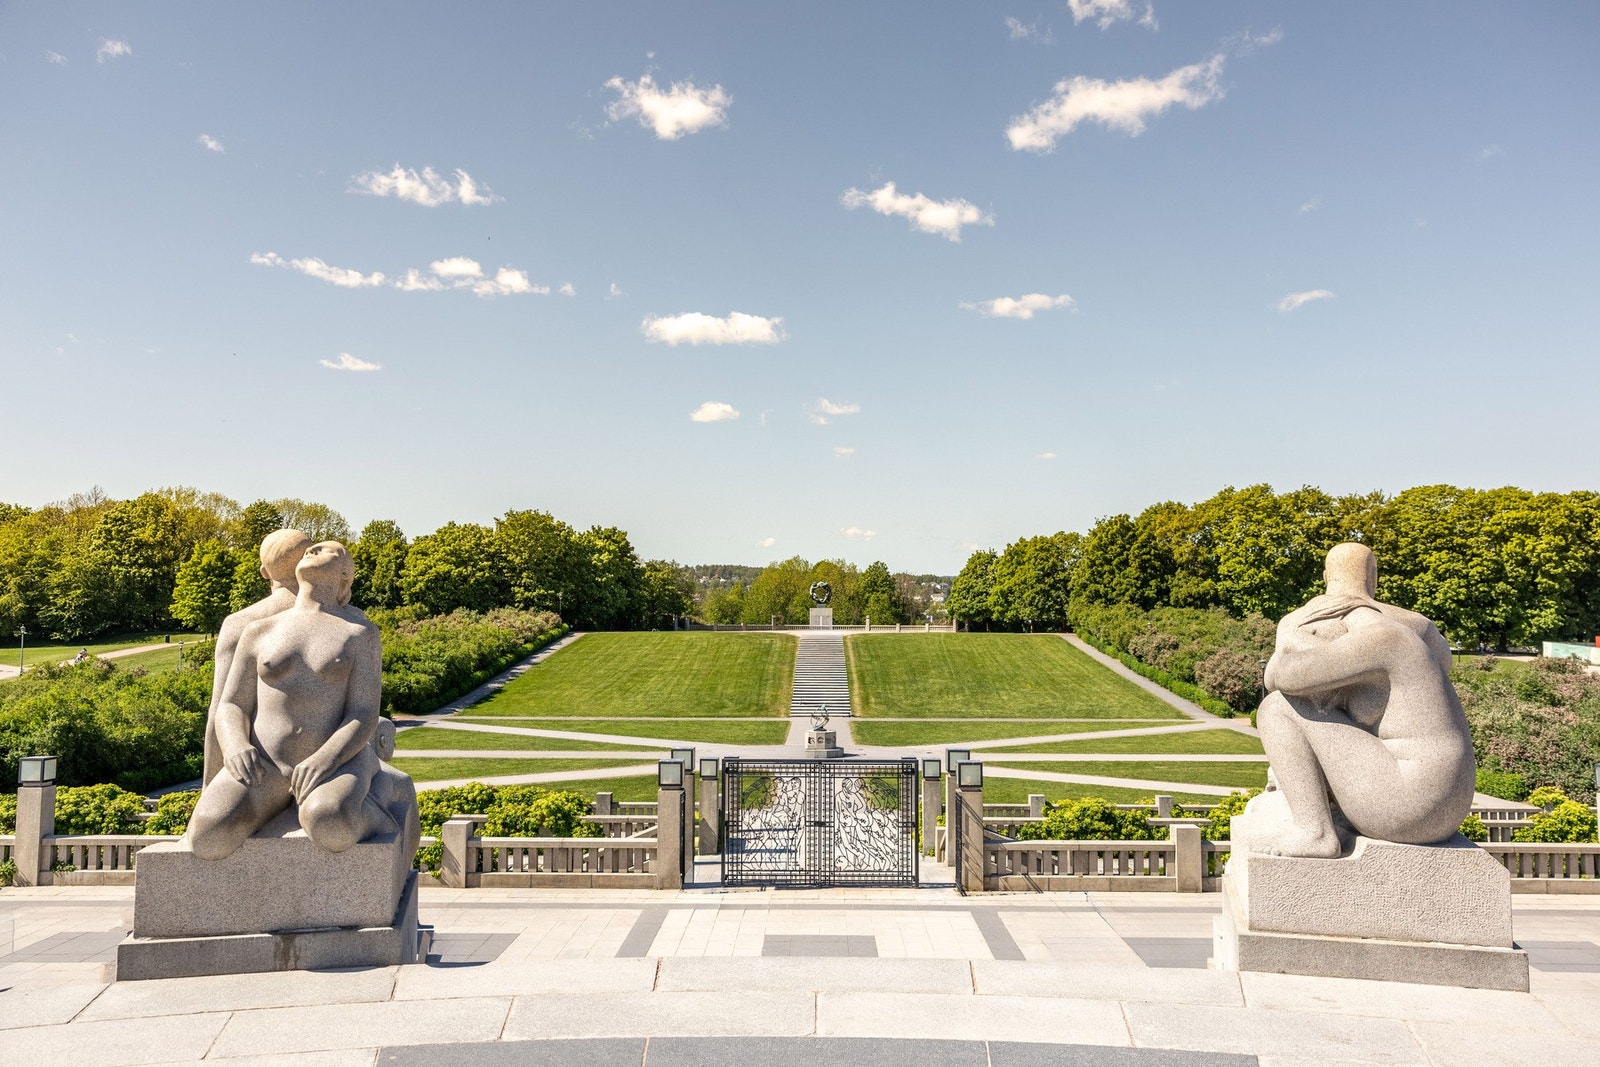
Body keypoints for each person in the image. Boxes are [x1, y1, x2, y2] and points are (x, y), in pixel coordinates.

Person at [1252, 543, 1475, 858]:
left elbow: (1280, 677)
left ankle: (1314, 832)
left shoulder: (1381, 639)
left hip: (1410, 806)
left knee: (1278, 708)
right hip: (1450, 806)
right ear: (1374, 577)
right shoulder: (1413, 629)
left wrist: (1291, 637)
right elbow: (1444, 663)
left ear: (1327, 577)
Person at [188, 541, 397, 860]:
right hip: (265, 766)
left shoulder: (360, 633)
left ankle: (381, 812)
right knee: (207, 835)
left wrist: (327, 758)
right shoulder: (259, 631)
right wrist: (235, 746)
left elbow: (364, 712)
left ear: (345, 573)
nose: (311, 550)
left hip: (334, 764)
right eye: (308, 550)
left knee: (329, 823)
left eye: (327, 550)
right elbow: (231, 705)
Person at [201, 529, 312, 785]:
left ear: (264, 572)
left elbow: (220, 711)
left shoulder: (240, 624)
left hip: (261, 769)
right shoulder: (348, 618)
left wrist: (210, 787)